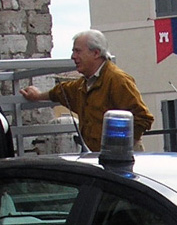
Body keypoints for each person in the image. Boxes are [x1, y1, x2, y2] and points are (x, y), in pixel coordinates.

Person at [21, 29, 153, 152]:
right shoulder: (83, 84)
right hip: (98, 156)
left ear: (96, 53)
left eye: (78, 51)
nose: (73, 56)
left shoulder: (117, 80)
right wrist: (37, 96)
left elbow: (142, 118)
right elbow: (61, 93)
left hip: (120, 157)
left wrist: (120, 146)